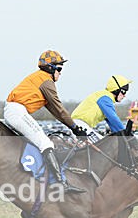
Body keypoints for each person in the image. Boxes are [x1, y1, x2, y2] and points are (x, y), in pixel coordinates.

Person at [5, 49, 85, 193]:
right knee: (46, 143)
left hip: (14, 110)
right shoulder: (46, 81)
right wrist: (75, 128)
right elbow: (59, 109)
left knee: (37, 143)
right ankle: (61, 184)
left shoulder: (39, 79)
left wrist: (73, 126)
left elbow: (55, 111)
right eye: (59, 68)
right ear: (51, 67)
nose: (60, 72)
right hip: (17, 111)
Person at [71, 75, 132, 143]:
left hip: (80, 125)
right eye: (123, 92)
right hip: (79, 125)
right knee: (104, 147)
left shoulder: (105, 97)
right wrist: (127, 135)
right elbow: (114, 119)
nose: (124, 95)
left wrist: (123, 135)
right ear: (116, 90)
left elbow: (114, 126)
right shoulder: (105, 98)